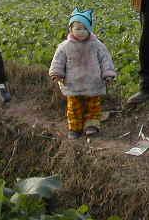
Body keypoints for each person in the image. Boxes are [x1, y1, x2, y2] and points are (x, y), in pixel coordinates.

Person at [49, 8, 116, 139]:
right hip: (73, 84)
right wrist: (57, 73)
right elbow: (58, 61)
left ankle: (91, 125)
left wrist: (108, 73)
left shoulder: (97, 45)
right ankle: (75, 128)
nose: (81, 32)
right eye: (78, 28)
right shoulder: (64, 46)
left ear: (90, 29)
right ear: (71, 29)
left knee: (93, 106)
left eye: (85, 29)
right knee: (74, 108)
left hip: (93, 83)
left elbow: (105, 60)